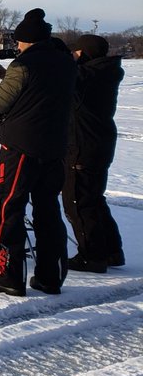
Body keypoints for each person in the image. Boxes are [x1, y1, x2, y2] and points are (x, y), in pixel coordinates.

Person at [0, 8, 75, 297]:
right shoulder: (65, 62)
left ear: (26, 41)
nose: (16, 46)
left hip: (20, 148)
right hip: (54, 147)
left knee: (6, 209)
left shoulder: (23, 66)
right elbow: (39, 89)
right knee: (48, 209)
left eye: (18, 42)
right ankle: (50, 276)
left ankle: (9, 275)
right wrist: (7, 75)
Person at [63, 34, 125, 272]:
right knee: (94, 199)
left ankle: (92, 256)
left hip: (83, 146)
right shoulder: (105, 72)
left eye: (76, 53)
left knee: (78, 202)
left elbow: (61, 79)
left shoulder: (87, 77)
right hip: (99, 143)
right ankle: (110, 251)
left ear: (84, 54)